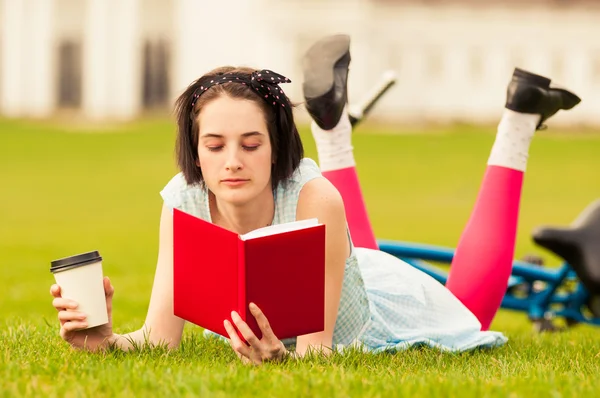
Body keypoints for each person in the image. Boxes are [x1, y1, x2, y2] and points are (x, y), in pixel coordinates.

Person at [50, 34, 580, 365]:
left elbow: (318, 355)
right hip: (349, 267)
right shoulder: (183, 202)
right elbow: (160, 341)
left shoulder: (313, 196)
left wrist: (280, 360)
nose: (232, 160)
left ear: (278, 146)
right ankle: (335, 132)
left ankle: (515, 125)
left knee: (470, 316)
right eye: (214, 145)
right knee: (346, 236)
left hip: (377, 315)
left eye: (251, 144)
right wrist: (103, 337)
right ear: (194, 151)